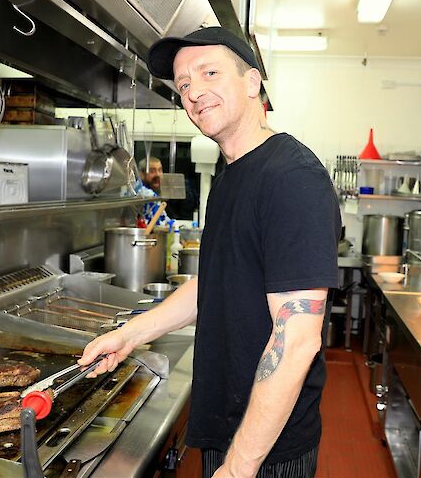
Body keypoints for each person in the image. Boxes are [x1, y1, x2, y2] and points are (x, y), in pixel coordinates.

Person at [79, 26, 341, 478]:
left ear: (253, 82)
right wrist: (130, 334)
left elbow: (297, 340)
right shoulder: (231, 175)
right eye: (183, 84)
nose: (194, 92)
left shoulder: (291, 178)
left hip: (266, 450)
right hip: (230, 425)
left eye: (209, 72)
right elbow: (214, 283)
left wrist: (240, 466)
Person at [134, 156, 172, 227]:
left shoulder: (137, 187)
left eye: (160, 170)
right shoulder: (148, 194)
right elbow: (160, 224)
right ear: (141, 174)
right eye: (152, 171)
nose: (157, 174)